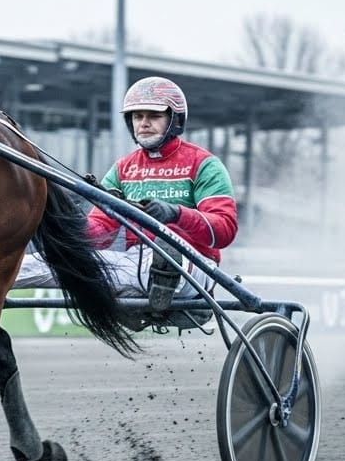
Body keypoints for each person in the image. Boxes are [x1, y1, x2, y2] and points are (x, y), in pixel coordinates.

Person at [16, 76, 238, 327]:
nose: (143, 124)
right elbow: (101, 231)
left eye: (153, 116)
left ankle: (153, 280)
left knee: (160, 258)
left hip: (194, 267)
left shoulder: (204, 164)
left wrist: (176, 214)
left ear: (174, 120)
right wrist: (63, 225)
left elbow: (224, 230)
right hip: (133, 265)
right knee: (30, 264)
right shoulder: (123, 168)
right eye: (136, 116)